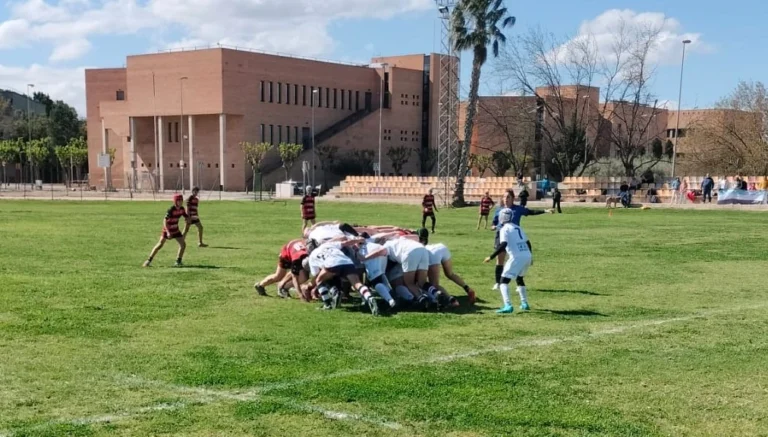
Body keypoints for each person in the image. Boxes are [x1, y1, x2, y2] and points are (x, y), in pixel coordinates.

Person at [305, 239, 379, 315]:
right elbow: (345, 242)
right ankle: (369, 297)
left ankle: (327, 304)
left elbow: (316, 274)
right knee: (357, 284)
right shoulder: (328, 244)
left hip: (331, 263)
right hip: (347, 262)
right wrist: (357, 239)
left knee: (319, 280)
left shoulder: (312, 256)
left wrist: (309, 287)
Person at [490, 190, 546, 290]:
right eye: (504, 197)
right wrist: (493, 227)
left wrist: (545, 211)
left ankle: (519, 283)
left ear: (513, 198)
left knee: (517, 259)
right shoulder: (499, 210)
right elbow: (493, 224)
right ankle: (498, 283)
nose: (506, 199)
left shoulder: (518, 209)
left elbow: (530, 212)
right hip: (501, 237)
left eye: (508, 197)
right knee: (500, 260)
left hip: (515, 238)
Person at [484, 208, 532, 313]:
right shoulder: (517, 227)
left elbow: (503, 244)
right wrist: (531, 256)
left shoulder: (504, 229)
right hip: (527, 255)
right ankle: (524, 303)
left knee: (503, 281)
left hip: (517, 257)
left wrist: (491, 257)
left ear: (501, 217)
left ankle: (508, 305)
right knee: (519, 278)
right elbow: (528, 242)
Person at [418, 229, 476, 305]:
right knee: (450, 274)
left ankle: (452, 300)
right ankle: (468, 289)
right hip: (441, 247)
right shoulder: (427, 245)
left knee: (434, 285)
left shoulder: (421, 248)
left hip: (433, 254)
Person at [143, 194, 189, 267]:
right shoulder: (171, 209)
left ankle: (178, 261)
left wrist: (188, 219)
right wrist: (167, 232)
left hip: (176, 230)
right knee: (160, 244)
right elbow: (165, 220)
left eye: (181, 200)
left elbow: (186, 216)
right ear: (175, 201)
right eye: (178, 200)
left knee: (183, 244)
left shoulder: (182, 209)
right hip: (168, 230)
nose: (180, 202)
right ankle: (148, 260)